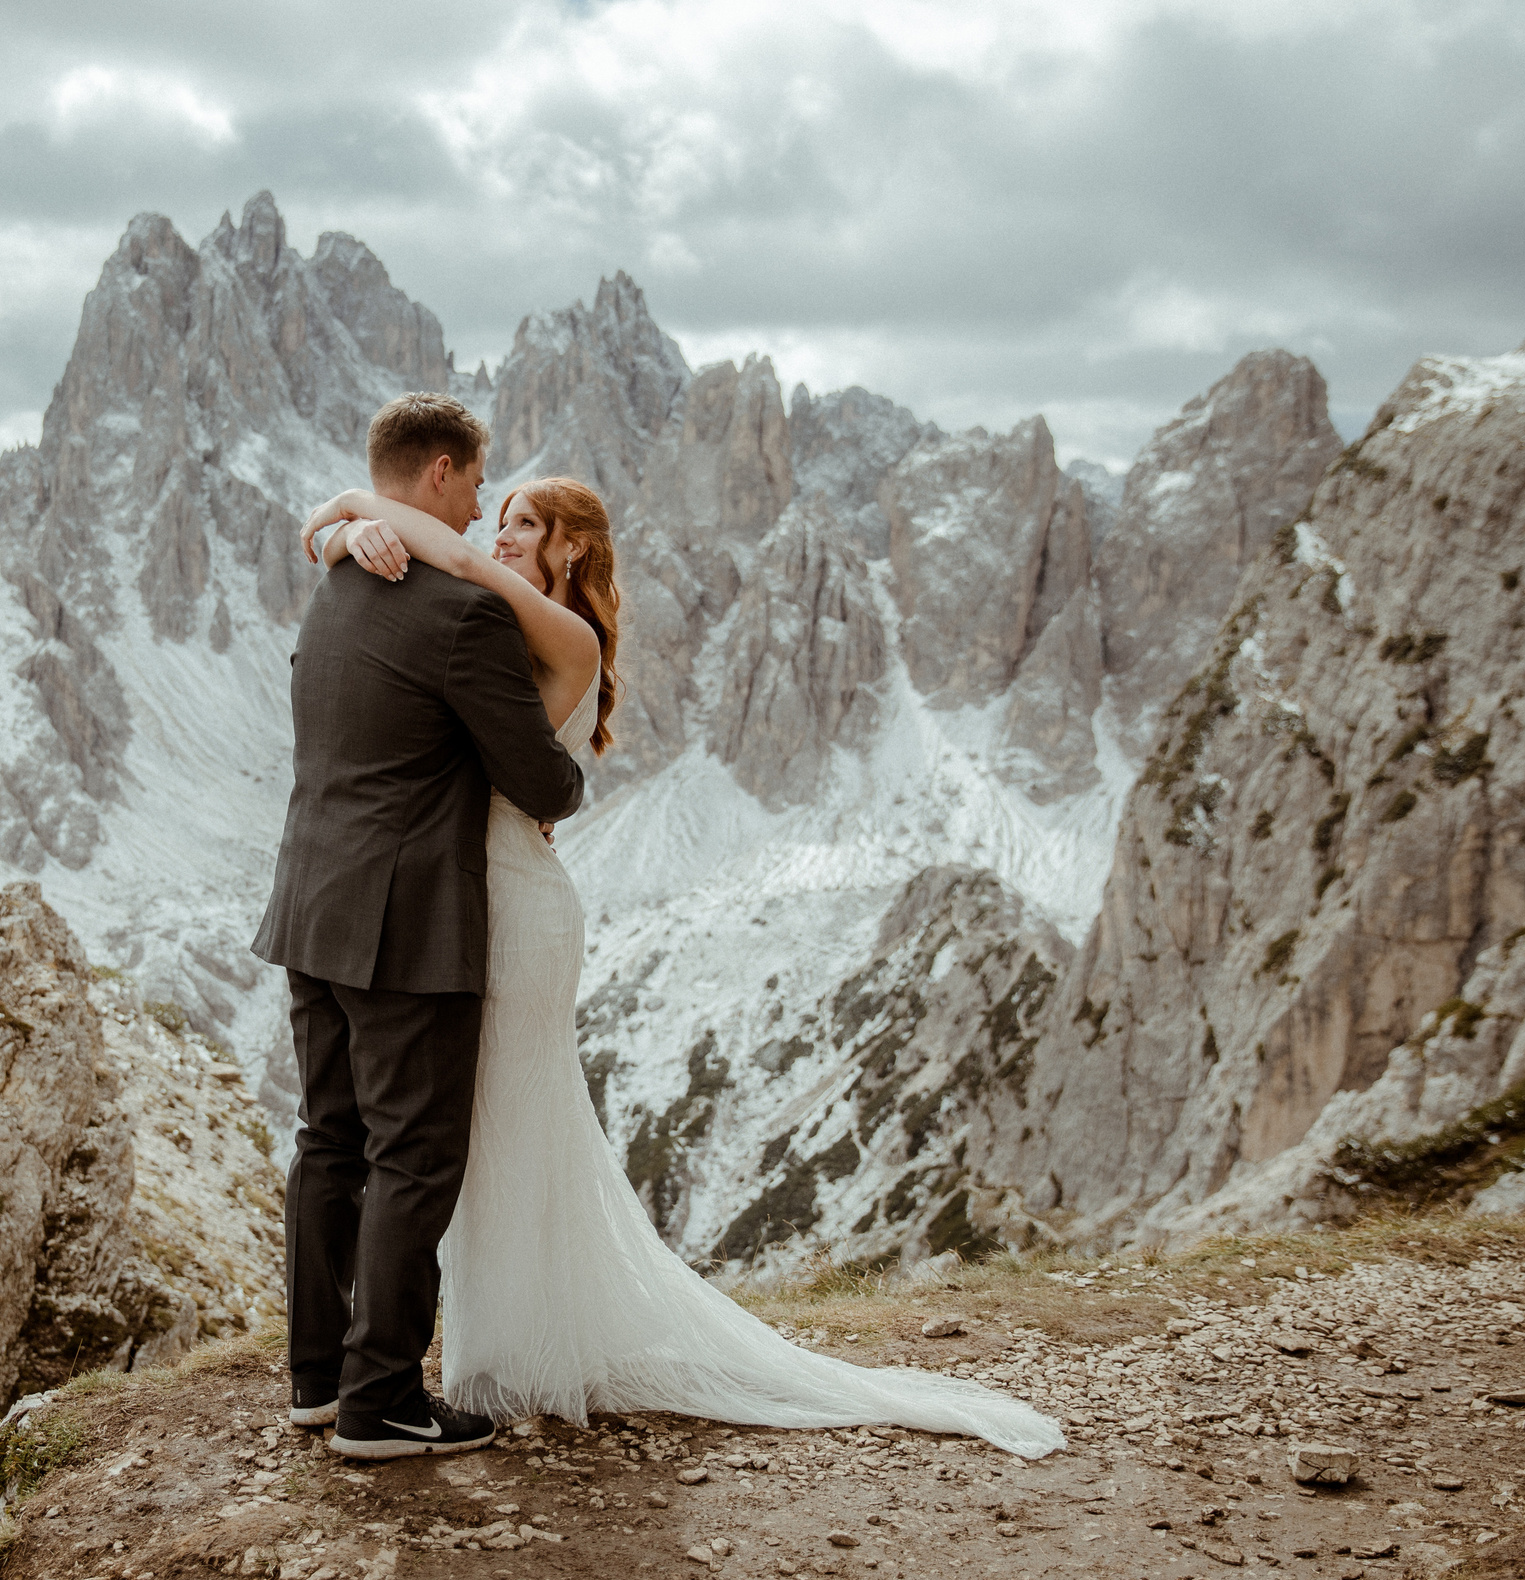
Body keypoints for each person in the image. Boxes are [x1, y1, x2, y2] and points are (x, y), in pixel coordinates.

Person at [297, 471, 1066, 1460]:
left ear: (572, 547)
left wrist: (346, 514)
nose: (499, 538)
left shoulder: (553, 631)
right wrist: (337, 529)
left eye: (525, 524)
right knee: (483, 1138)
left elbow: (441, 561)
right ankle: (486, 1357)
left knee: (494, 1130)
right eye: (498, 523)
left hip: (511, 913)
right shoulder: (509, 619)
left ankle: (507, 1359)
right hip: (466, 898)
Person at [251, 393, 587, 1461]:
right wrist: (561, 774)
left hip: (313, 899)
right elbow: (536, 775)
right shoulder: (463, 615)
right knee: (414, 1153)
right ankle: (383, 1400)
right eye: (479, 482)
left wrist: (342, 520)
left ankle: (316, 1379)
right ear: (440, 473)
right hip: (406, 922)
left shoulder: (340, 582)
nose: (484, 503)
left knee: (329, 1139)